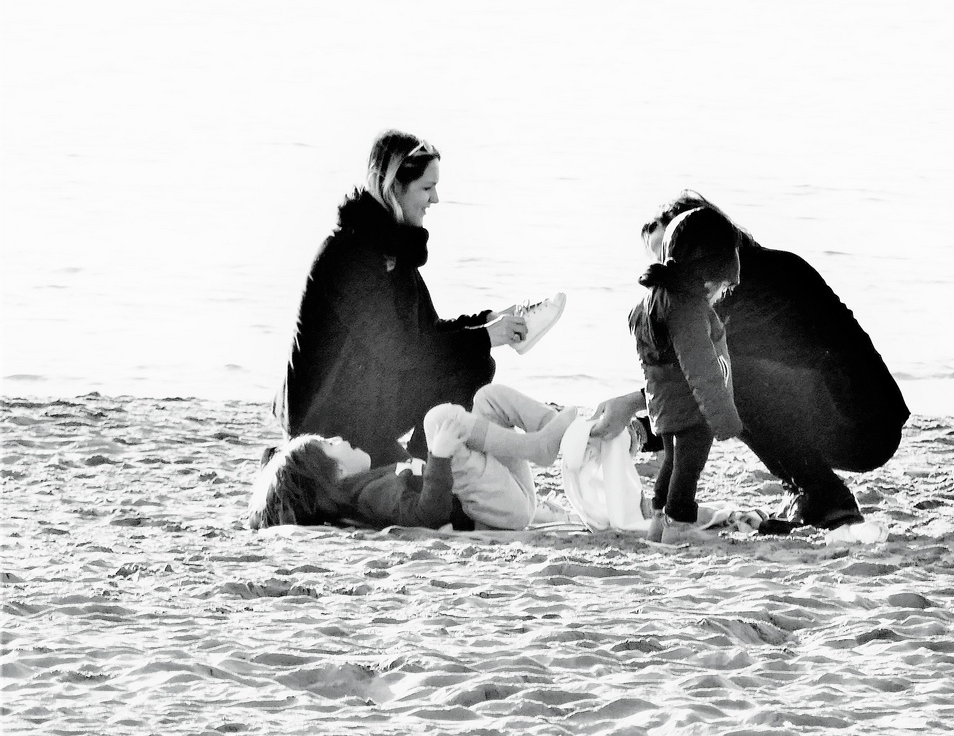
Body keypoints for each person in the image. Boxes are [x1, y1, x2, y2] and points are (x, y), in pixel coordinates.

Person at [589, 193, 898, 540]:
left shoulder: (745, 284)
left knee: (731, 377)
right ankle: (807, 490)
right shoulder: (733, 278)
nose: (668, 271)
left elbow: (705, 378)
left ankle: (825, 496)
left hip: (863, 425)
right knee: (730, 379)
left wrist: (636, 418)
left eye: (672, 253)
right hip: (843, 411)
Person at [276, 131, 538, 468]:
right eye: (427, 188)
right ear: (393, 188)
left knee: (473, 359)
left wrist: (488, 321)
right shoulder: (351, 254)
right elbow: (399, 352)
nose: (436, 200)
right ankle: (421, 474)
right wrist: (485, 337)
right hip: (321, 424)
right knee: (472, 359)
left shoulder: (390, 247)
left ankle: (420, 469)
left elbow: (427, 332)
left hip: (361, 400)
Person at [246, 383, 576, 530]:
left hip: (508, 502)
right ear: (336, 473)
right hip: (503, 511)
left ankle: (555, 433)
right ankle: (538, 448)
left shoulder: (368, 483)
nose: (337, 439)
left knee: (487, 398)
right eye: (329, 445)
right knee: (438, 421)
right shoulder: (371, 494)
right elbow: (427, 514)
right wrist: (440, 457)